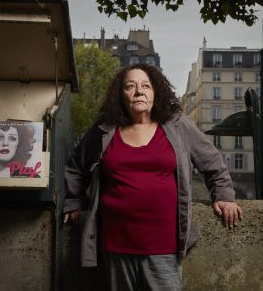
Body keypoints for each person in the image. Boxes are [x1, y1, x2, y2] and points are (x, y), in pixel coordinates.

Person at [63, 63, 243, 291]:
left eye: (145, 86)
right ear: (121, 94)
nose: (139, 91)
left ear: (155, 92)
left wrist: (224, 195)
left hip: (164, 247)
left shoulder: (177, 126)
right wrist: (73, 201)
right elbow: (76, 166)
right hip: (115, 244)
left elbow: (213, 162)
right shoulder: (104, 130)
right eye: (130, 86)